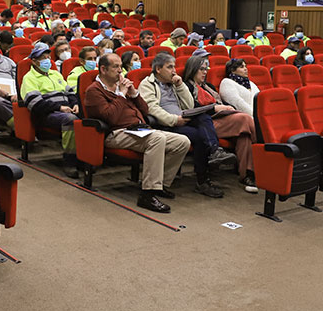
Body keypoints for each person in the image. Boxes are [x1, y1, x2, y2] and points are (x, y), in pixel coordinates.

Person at [84, 53, 189, 212]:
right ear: (103, 69)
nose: (120, 71)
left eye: (121, 66)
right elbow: (110, 118)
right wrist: (121, 94)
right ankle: (147, 194)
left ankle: (160, 185)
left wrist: (133, 93)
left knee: (182, 142)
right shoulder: (94, 90)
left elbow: (145, 110)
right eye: (115, 67)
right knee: (157, 139)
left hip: (139, 130)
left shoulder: (123, 87)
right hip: (116, 133)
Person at [138, 53, 235, 198]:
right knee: (198, 137)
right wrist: (174, 120)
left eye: (174, 67)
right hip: (165, 123)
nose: (174, 71)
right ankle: (203, 180)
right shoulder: (147, 84)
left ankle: (215, 151)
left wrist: (180, 85)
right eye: (169, 67)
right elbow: (151, 108)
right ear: (158, 69)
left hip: (182, 117)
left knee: (204, 116)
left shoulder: (174, 83)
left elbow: (189, 105)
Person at [182, 54, 257, 193]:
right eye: (201, 69)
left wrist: (225, 108)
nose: (205, 72)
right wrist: (215, 108)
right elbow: (191, 108)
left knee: (244, 136)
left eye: (206, 69)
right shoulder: (186, 86)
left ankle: (247, 175)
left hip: (222, 118)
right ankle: (268, 148)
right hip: (207, 123)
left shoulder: (209, 86)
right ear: (192, 70)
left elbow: (221, 103)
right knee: (245, 119)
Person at [20, 43, 81, 177]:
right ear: (34, 61)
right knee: (70, 120)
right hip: (47, 114)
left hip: (65, 109)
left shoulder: (55, 74)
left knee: (85, 115)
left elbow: (69, 92)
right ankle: (70, 161)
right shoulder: (29, 78)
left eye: (48, 56)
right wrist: (59, 107)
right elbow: (35, 104)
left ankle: (84, 159)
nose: (47, 60)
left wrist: (75, 103)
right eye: (43, 58)